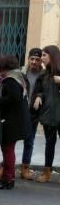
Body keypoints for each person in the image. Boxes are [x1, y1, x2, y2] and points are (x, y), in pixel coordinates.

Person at [0, 55, 31, 190]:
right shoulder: (20, 76)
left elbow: (13, 98)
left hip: (11, 120)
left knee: (7, 149)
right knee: (9, 149)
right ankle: (9, 178)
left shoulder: (11, 80)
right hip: (17, 119)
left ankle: (7, 179)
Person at [32, 45, 60, 183]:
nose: (41, 58)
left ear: (52, 56)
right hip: (49, 114)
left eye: (44, 55)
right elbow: (42, 90)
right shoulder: (44, 74)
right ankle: (47, 171)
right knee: (50, 143)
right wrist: (39, 96)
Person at [19, 47, 43, 179]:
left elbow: (45, 90)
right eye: (32, 59)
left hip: (33, 113)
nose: (34, 62)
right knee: (11, 138)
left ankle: (25, 168)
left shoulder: (43, 75)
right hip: (19, 110)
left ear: (41, 62)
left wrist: (40, 96)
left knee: (29, 140)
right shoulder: (21, 72)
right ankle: (4, 165)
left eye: (37, 59)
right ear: (28, 59)